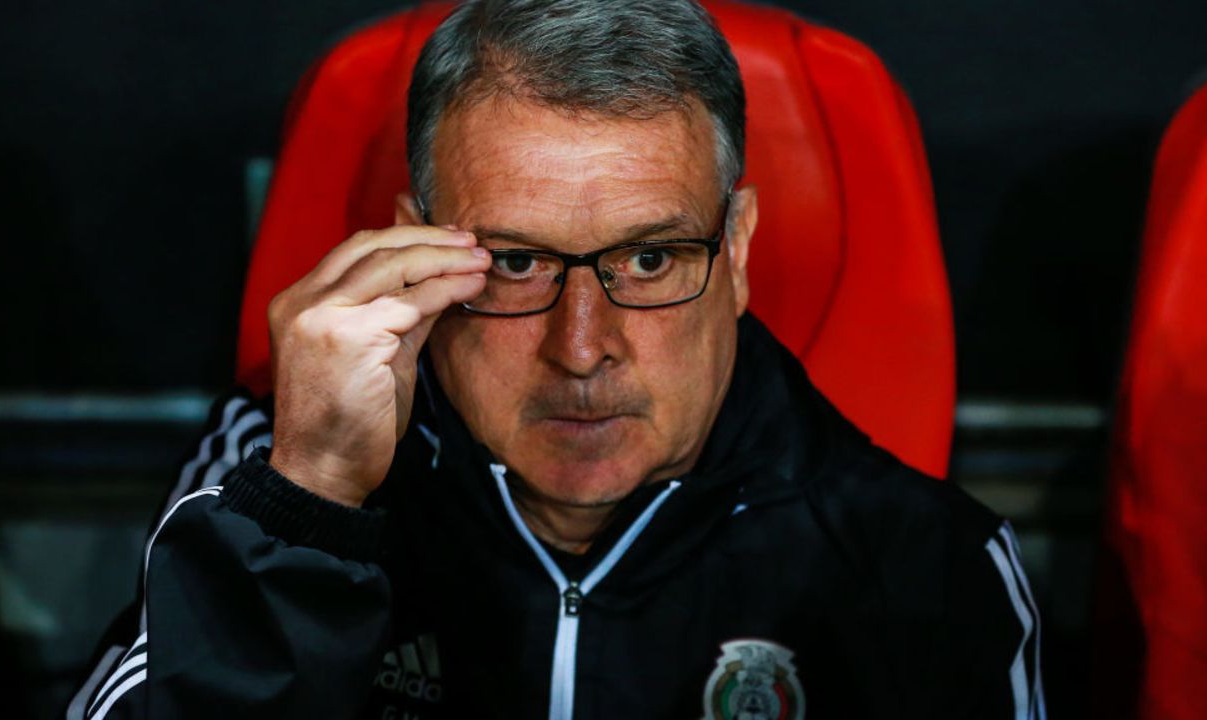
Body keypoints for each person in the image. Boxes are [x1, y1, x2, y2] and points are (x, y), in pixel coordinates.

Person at [69, 1, 1045, 718]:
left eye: (650, 257)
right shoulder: (272, 466)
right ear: (415, 253)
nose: (580, 348)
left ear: (737, 249)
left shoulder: (922, 556)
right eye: (515, 261)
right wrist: (312, 503)